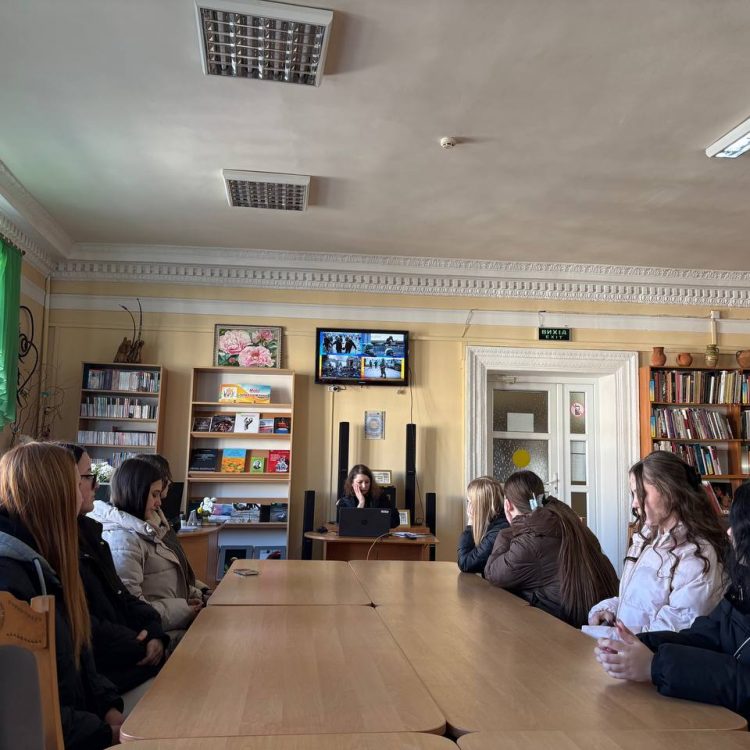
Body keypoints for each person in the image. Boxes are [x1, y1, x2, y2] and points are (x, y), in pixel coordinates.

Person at [0, 442, 124, 749]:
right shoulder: (11, 582)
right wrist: (104, 733)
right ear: (54, 496)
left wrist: (109, 708)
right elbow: (26, 715)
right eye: (77, 484)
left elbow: (80, 657)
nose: (84, 494)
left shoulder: (47, 561)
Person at [593, 482, 750, 721]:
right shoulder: (743, 586)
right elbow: (706, 636)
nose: (729, 532)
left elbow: (743, 683)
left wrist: (654, 665)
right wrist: (642, 644)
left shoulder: (698, 555)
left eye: (737, 524)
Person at [57, 443, 168, 693]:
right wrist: (139, 641)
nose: (97, 485)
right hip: (114, 671)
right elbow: (80, 627)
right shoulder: (60, 546)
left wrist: (153, 630)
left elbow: (122, 596)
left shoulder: (90, 534)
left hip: (129, 656)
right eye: (88, 476)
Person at [588, 451, 727, 634]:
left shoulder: (697, 555)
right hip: (629, 646)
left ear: (670, 492)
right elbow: (639, 603)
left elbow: (674, 630)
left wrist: (616, 638)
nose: (634, 503)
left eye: (640, 493)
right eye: (633, 494)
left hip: (648, 650)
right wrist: (609, 609)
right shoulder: (648, 540)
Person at [91, 458, 205, 646]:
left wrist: (196, 595)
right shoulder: (123, 540)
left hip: (172, 623)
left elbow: (167, 583)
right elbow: (132, 609)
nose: (159, 502)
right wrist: (184, 609)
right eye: (154, 495)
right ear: (135, 492)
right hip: (156, 636)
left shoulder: (150, 528)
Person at [484, 469, 619, 627]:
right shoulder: (568, 519)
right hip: (604, 615)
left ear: (507, 505)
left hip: (572, 627)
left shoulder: (530, 541)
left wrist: (507, 531)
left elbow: (492, 573)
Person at [134, 453, 211, 600]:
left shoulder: (161, 521)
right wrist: (193, 600)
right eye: (166, 477)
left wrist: (202, 590)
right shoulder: (142, 533)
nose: (170, 482)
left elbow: (181, 576)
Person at [457, 476, 509, 575]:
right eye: (468, 502)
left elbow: (466, 563)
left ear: (481, 505)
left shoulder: (497, 532)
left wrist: (470, 524)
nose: (468, 507)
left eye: (471, 502)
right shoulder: (495, 523)